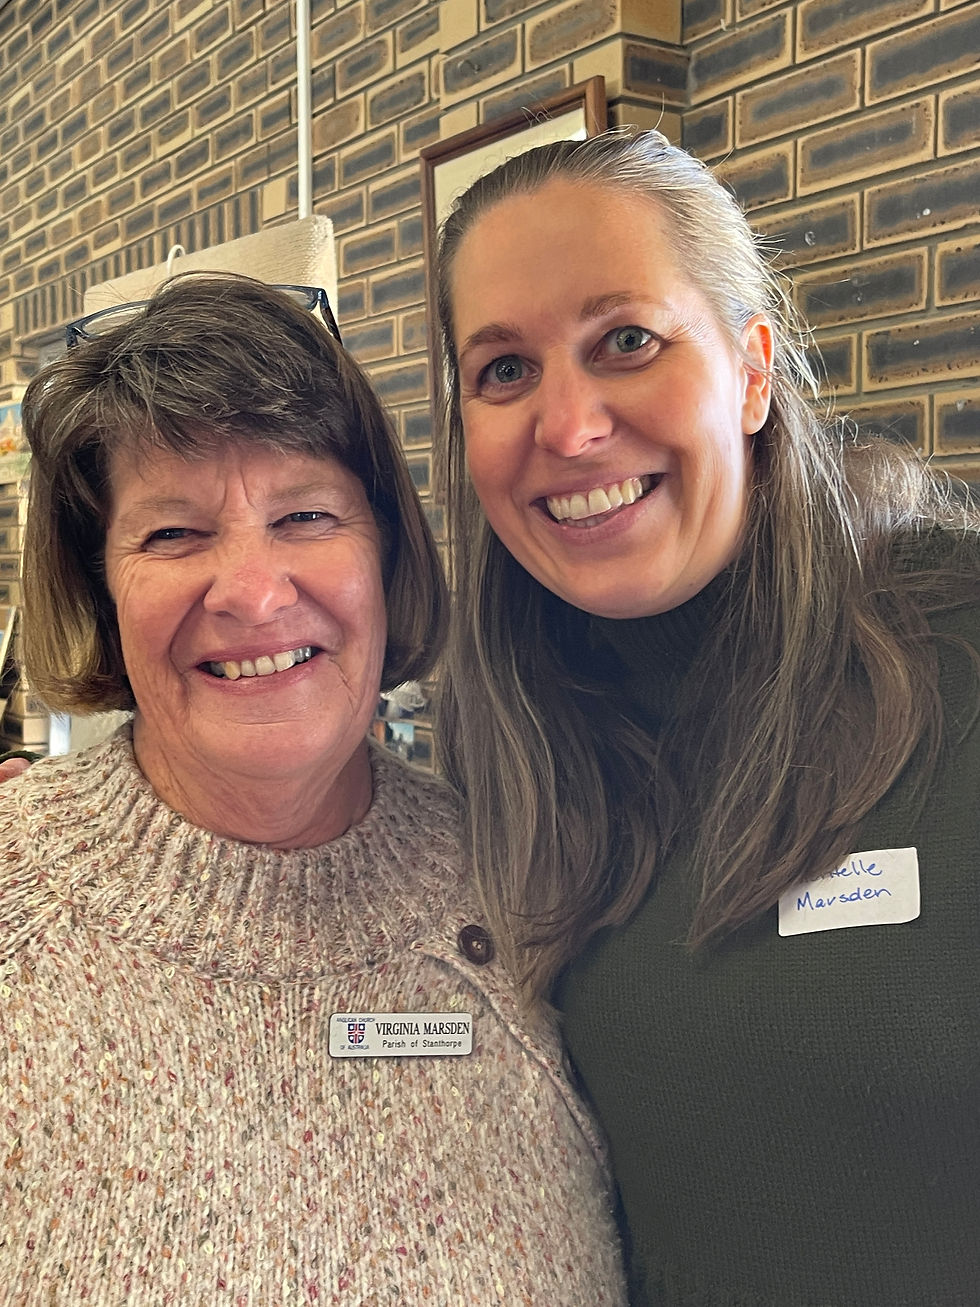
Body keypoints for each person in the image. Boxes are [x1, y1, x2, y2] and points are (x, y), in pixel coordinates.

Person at [0, 275, 627, 1303]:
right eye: (172, 533)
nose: (252, 590)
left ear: (384, 553)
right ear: (99, 589)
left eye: (304, 514)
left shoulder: (535, 894)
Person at [433, 129, 980, 1305]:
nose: (569, 426)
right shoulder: (501, 744)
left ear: (750, 370)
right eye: (504, 370)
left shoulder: (959, 650)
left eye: (625, 340)